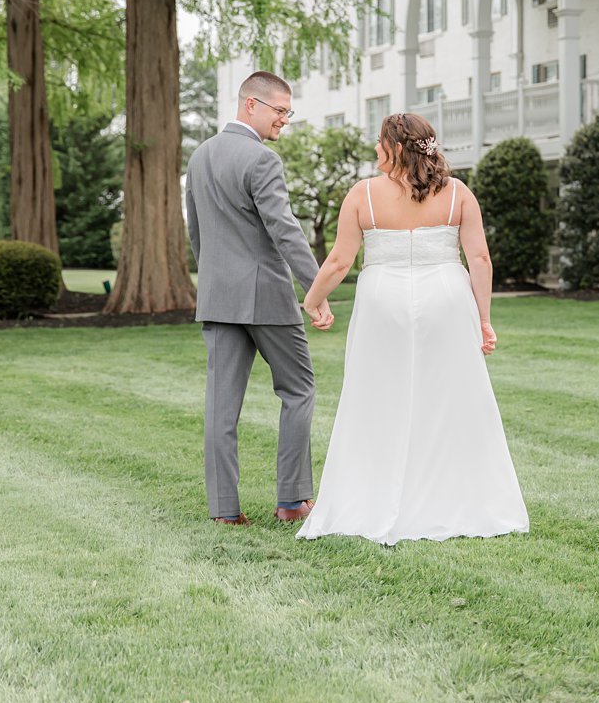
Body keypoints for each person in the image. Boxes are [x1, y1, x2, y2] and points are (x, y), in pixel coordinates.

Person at [296, 112, 528, 545]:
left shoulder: (362, 195)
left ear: (397, 147)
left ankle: (371, 496)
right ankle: (456, 499)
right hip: (447, 298)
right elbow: (479, 259)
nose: (376, 150)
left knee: (376, 396)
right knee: (450, 398)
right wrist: (483, 319)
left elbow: (339, 262)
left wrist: (313, 300)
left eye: (380, 143)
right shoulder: (459, 194)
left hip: (382, 300)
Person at [185, 71, 334, 526]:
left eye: (289, 112)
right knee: (299, 389)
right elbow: (285, 231)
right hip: (266, 297)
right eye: (281, 110)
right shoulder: (262, 160)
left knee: (221, 408)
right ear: (252, 104)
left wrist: (214, 278)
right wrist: (317, 289)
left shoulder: (200, 157)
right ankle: (292, 501)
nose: (285, 120)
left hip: (217, 297)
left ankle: (224, 512)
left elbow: (196, 234)